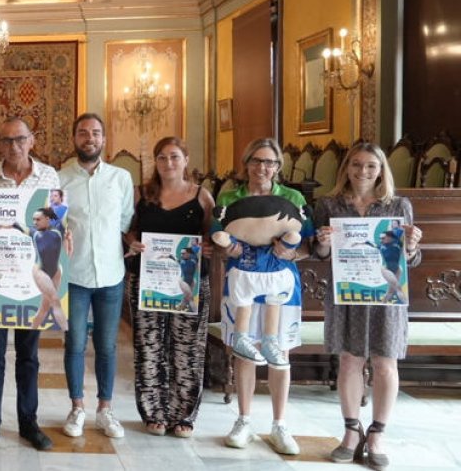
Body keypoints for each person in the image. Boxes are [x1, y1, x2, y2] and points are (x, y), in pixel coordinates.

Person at [312, 142, 423, 469]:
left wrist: (413, 246)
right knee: (349, 361)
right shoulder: (329, 205)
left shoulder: (398, 206)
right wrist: (321, 244)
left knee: (386, 363)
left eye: (371, 166)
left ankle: (377, 434)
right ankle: (351, 431)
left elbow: (410, 260)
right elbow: (320, 256)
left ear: (381, 170)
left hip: (386, 296)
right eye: (357, 165)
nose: (363, 171)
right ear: (346, 167)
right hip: (347, 293)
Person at [0, 117, 61, 452]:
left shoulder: (49, 177)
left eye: (19, 139)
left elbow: (54, 226)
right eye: (6, 141)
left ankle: (28, 422)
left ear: (31, 140)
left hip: (32, 281)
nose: (13, 147)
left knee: (28, 355)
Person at [217, 137, 312, 455]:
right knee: (245, 351)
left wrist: (289, 253)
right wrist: (226, 248)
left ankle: (279, 424)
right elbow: (220, 237)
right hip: (242, 280)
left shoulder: (292, 196)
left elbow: (307, 244)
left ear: (278, 167)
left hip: (280, 283)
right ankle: (243, 420)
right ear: (246, 163)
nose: (263, 168)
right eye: (257, 161)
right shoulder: (230, 196)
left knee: (278, 350)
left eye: (270, 162)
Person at [123, 136, 215, 437]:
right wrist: (131, 242)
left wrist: (208, 248)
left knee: (187, 348)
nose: (168, 163)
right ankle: (154, 412)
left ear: (186, 160)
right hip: (148, 280)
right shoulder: (141, 194)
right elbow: (127, 230)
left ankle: (184, 415)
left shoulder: (202, 197)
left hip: (189, 283)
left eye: (174, 156)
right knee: (149, 346)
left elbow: (212, 237)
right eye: (162, 157)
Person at [56, 112, 134, 439]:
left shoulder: (121, 178)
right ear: (74, 138)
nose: (90, 138)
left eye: (96, 133)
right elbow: (52, 223)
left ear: (104, 139)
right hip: (74, 275)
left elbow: (126, 220)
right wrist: (61, 235)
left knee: (107, 345)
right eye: (84, 133)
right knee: (74, 343)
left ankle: (105, 409)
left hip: (111, 274)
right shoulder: (59, 179)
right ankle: (77, 407)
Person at [29, 207, 66, 331]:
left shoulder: (59, 229)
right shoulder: (34, 232)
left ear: (47, 219)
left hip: (56, 272)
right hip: (40, 271)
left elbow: (65, 216)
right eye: (33, 219)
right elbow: (16, 225)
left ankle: (32, 329)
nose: (35, 222)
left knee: (44, 308)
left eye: (38, 219)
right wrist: (2, 225)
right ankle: (66, 331)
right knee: (55, 300)